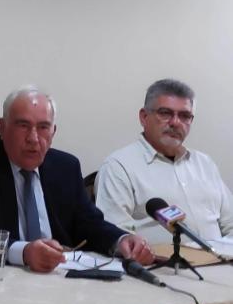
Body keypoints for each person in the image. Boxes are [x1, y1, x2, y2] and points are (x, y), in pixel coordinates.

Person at [0, 85, 153, 272]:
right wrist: (24, 252)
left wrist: (121, 240)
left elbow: (90, 224)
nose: (33, 138)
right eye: (23, 125)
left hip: (57, 279)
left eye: (43, 127)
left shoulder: (66, 167)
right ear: (2, 128)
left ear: (53, 132)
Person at [96, 78, 233, 245]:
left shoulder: (204, 164)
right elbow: (116, 236)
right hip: (161, 261)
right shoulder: (118, 166)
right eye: (165, 113)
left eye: (185, 116)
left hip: (221, 258)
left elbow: (230, 224)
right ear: (144, 117)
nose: (175, 122)